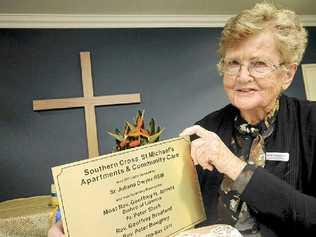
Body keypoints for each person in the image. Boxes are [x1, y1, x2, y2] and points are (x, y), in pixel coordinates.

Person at [48, 2, 316, 237]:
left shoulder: (310, 122)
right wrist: (74, 220)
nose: (243, 76)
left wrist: (232, 165)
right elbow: (156, 200)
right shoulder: (206, 129)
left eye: (258, 64)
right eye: (233, 63)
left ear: (287, 75)